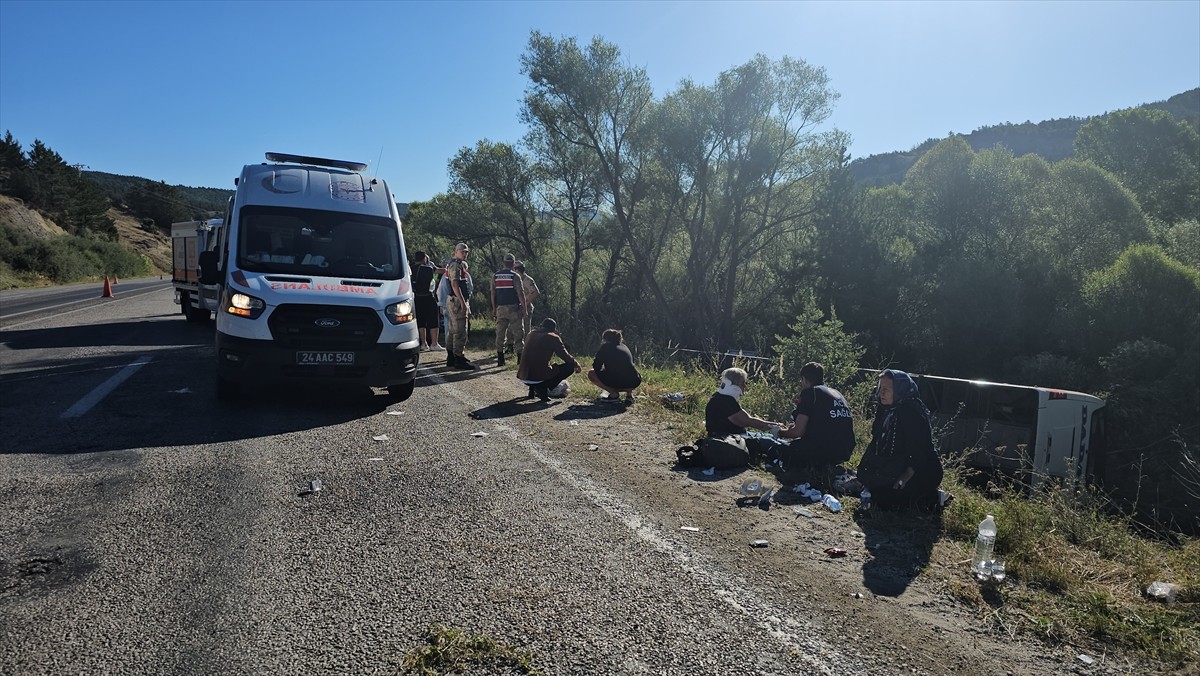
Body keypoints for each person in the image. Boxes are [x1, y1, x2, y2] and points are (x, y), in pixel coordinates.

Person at [856, 369, 944, 510]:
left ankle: (935, 498)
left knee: (884, 500)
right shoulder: (885, 409)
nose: (882, 393)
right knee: (869, 490)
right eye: (880, 388)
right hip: (895, 465)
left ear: (899, 390)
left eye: (887, 389)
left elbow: (919, 449)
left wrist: (907, 474)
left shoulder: (911, 411)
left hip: (920, 469)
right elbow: (877, 440)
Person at [777, 362, 856, 471]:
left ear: (804, 379)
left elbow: (797, 432)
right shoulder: (836, 393)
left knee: (778, 450)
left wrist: (780, 432)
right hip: (845, 450)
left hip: (823, 449)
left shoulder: (809, 392)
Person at [704, 368, 785, 458]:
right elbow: (748, 421)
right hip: (729, 440)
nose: (745, 386)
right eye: (743, 383)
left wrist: (773, 425)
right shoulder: (726, 401)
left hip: (735, 436)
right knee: (771, 442)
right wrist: (773, 425)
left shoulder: (719, 397)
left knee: (771, 438)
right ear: (734, 384)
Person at [517, 318, 580, 402]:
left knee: (537, 363)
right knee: (569, 367)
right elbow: (565, 356)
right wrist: (576, 364)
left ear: (541, 326)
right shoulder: (553, 337)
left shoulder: (531, 334)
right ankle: (542, 388)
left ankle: (532, 390)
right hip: (537, 378)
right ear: (554, 330)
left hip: (523, 376)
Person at [444, 242, 477, 370]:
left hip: (454, 300)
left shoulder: (458, 265)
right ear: (456, 251)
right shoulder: (455, 265)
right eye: (463, 251)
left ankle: (452, 356)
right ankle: (458, 357)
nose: (465, 254)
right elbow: (455, 285)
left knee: (453, 329)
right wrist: (463, 303)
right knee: (460, 330)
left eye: (466, 252)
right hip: (457, 301)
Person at [586, 328, 641, 405]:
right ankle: (629, 395)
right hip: (634, 381)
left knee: (591, 373)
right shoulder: (624, 346)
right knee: (627, 370)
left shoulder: (605, 347)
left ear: (605, 339)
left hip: (617, 381)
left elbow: (596, 366)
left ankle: (613, 394)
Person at [491, 253, 526, 367]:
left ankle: (500, 358)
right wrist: (524, 308)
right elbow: (521, 294)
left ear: (503, 263)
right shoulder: (515, 276)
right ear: (513, 263)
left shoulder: (495, 276)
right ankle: (520, 359)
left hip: (500, 308)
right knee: (518, 333)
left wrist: (494, 308)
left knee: (500, 333)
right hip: (513, 308)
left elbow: (493, 293)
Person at [410, 251, 442, 352]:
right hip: (428, 296)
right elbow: (436, 274)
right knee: (433, 319)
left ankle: (423, 344)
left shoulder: (410, 269)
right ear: (424, 258)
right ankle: (434, 343)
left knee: (421, 321)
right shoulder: (427, 268)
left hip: (416, 297)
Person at [513, 262, 540, 343]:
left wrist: (525, 303)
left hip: (526, 307)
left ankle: (527, 347)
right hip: (516, 307)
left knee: (526, 329)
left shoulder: (527, 280)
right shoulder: (516, 279)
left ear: (517, 269)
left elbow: (535, 292)